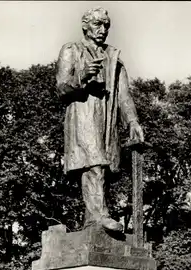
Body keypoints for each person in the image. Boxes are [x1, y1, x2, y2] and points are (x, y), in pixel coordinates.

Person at [54, 7, 144, 232]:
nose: (103, 30)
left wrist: (132, 121)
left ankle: (93, 220)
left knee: (104, 168)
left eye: (106, 26)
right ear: (85, 26)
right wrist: (82, 76)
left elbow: (124, 95)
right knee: (94, 163)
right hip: (83, 115)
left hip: (107, 118)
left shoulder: (113, 58)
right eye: (98, 25)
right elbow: (61, 88)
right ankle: (99, 216)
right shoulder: (71, 50)